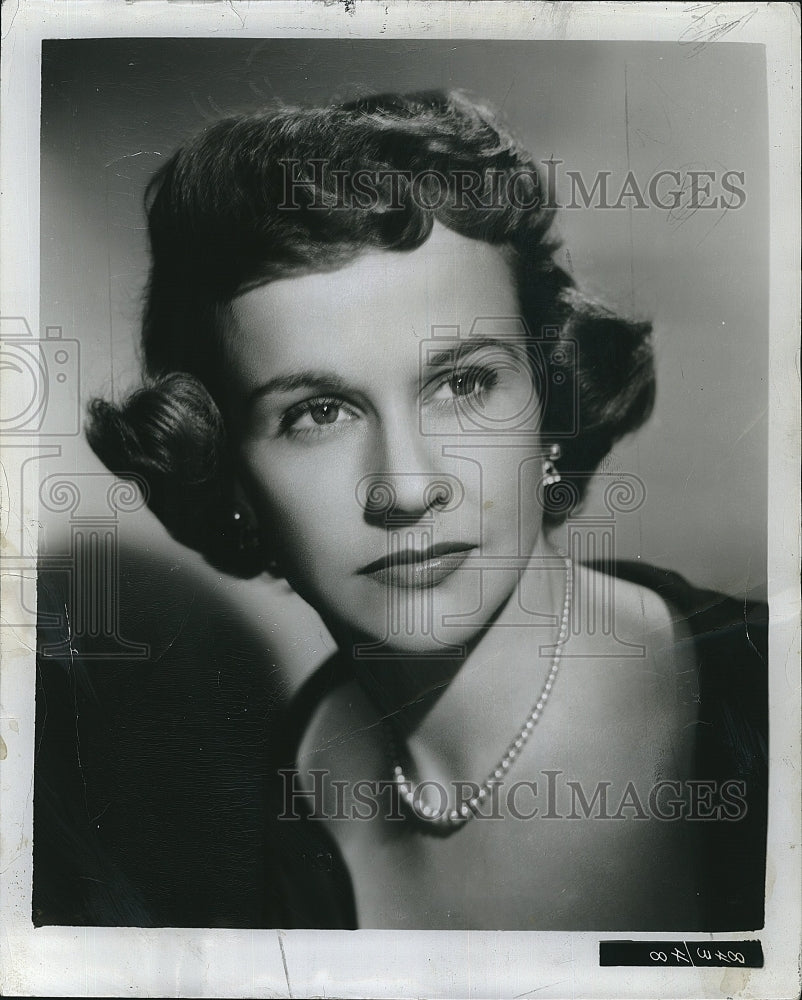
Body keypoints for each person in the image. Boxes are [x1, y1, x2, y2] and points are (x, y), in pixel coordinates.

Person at [34, 91, 767, 930]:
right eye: (318, 413)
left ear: (550, 399)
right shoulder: (282, 803)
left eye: (463, 384)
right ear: (230, 477)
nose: (407, 488)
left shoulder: (762, 698)